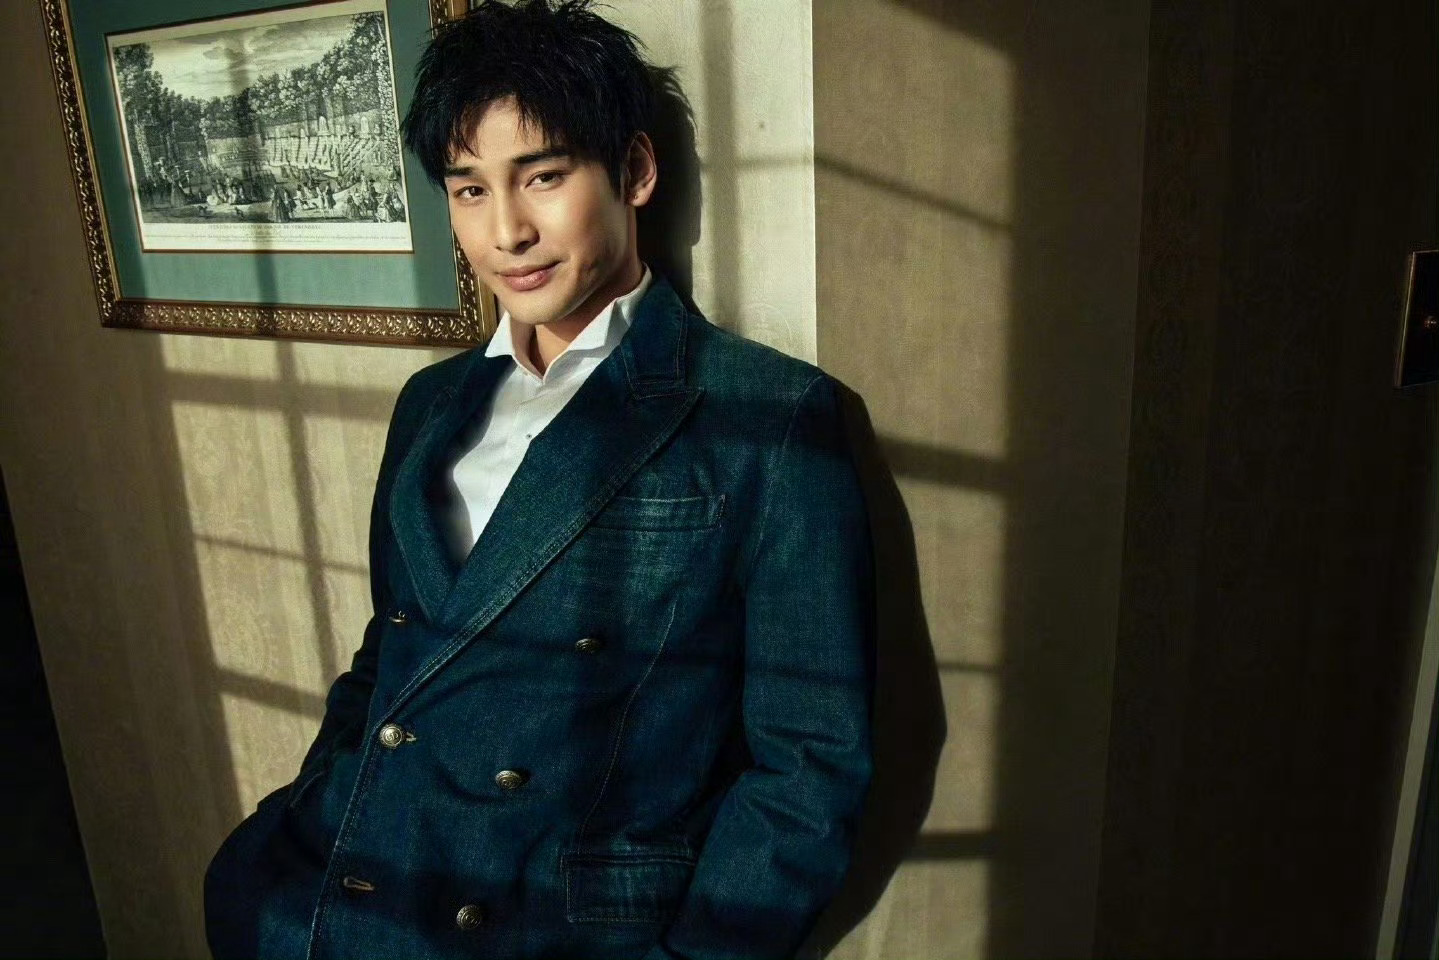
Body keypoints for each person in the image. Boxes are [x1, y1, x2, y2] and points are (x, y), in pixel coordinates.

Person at [203, 2, 874, 958]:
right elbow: (391, 653)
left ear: (634, 172)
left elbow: (810, 761)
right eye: (469, 189)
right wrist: (307, 810)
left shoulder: (766, 414)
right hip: (324, 897)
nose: (506, 232)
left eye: (543, 177)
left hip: (540, 930)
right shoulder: (430, 402)